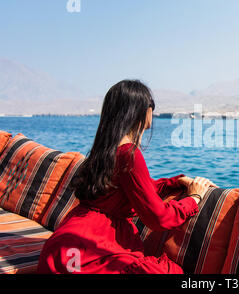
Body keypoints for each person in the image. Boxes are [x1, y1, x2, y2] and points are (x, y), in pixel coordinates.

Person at [37, 79, 217, 274]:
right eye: (151, 107)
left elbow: (138, 186)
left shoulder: (105, 149)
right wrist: (193, 198)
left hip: (63, 248)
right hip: (91, 249)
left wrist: (176, 181)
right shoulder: (129, 153)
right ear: (141, 111)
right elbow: (158, 218)